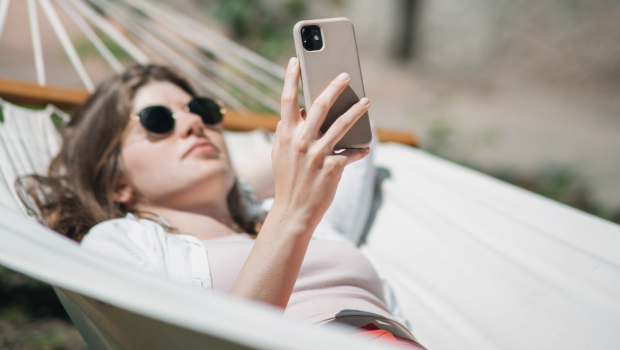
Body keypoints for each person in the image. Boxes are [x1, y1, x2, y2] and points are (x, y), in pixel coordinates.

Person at [19, 61, 425, 349]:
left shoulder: (275, 214)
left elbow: (360, 155)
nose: (194, 123)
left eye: (203, 111)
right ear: (117, 180)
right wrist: (290, 210)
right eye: (158, 120)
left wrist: (247, 190)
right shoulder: (119, 242)